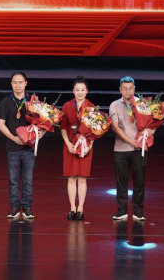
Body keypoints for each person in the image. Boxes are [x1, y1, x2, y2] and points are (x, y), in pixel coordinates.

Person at [0, 71, 43, 220]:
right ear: (11, 84)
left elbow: (45, 122)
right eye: (15, 82)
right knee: (13, 180)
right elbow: (0, 124)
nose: (18, 85)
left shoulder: (34, 101)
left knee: (28, 180)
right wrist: (14, 139)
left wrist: (39, 135)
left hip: (29, 148)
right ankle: (14, 207)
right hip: (12, 147)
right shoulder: (5, 102)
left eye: (20, 82)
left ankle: (27, 207)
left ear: (25, 83)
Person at [109, 76, 150, 222]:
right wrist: (129, 141)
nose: (128, 91)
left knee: (139, 181)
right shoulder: (114, 105)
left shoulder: (142, 104)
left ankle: (138, 211)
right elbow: (115, 127)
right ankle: (121, 210)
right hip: (121, 148)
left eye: (130, 88)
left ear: (134, 89)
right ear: (120, 90)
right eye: (125, 88)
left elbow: (152, 126)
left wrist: (147, 133)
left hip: (139, 148)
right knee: (121, 181)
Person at [61, 77, 95, 221]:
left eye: (82, 90)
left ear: (86, 91)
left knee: (81, 178)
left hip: (85, 146)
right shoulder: (67, 105)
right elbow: (63, 127)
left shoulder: (91, 107)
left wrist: (89, 146)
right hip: (70, 145)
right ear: (73, 91)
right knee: (71, 177)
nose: (80, 92)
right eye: (77, 90)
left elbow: (95, 130)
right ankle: (72, 208)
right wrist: (68, 143)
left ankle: (80, 208)